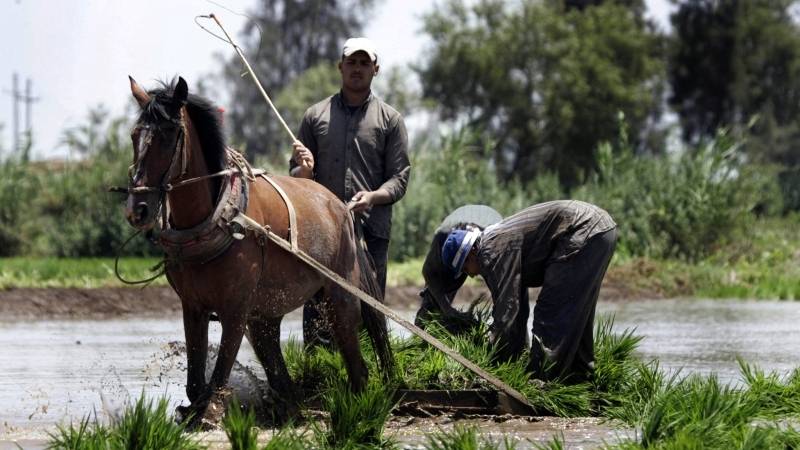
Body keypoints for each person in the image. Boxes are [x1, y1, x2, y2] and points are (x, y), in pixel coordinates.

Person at [289, 37, 411, 347]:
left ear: (376, 69)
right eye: (352, 62)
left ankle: (369, 376)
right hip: (321, 230)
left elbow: (399, 178)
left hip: (371, 229)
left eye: (364, 63)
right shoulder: (315, 116)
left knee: (367, 307)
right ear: (340, 67)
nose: (357, 68)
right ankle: (316, 372)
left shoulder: (391, 120)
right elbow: (296, 176)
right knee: (317, 305)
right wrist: (304, 170)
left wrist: (372, 196)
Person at [440, 200, 617, 383]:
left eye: (466, 269)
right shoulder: (495, 244)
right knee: (577, 316)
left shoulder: (491, 251)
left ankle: (540, 383)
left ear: (469, 254)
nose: (470, 275)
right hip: (601, 229)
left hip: (582, 230)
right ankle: (581, 382)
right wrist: (516, 356)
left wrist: (491, 357)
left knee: (550, 313)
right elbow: (517, 309)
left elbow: (507, 311)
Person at [413, 204, 503, 331]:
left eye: (466, 270)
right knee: (433, 306)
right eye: (464, 271)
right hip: (445, 268)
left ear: (472, 252)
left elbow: (502, 290)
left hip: (476, 247)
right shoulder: (442, 242)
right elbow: (428, 273)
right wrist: (447, 308)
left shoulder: (488, 244)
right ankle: (420, 336)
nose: (471, 276)